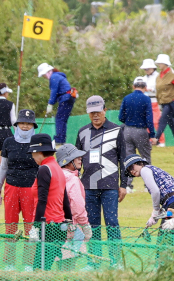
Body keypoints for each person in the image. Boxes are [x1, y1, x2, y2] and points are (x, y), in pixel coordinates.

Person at [75, 95, 127, 268]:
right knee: (92, 225)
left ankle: (116, 262)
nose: (95, 115)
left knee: (112, 224)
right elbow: (77, 161)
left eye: (98, 112)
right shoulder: (82, 132)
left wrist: (124, 185)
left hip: (110, 186)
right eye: (91, 113)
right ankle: (94, 261)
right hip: (88, 187)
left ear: (105, 110)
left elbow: (123, 159)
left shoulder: (117, 130)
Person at [0, 109, 38, 271]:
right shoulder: (8, 142)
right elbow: (3, 168)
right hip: (11, 188)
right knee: (10, 226)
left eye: (28, 123)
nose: (25, 126)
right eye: (22, 123)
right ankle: (9, 263)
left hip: (31, 190)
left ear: (33, 125)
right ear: (17, 124)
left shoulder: (38, 142)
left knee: (30, 227)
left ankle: (28, 263)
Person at [28, 133, 73, 271]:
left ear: (39, 152)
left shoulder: (44, 169)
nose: (32, 157)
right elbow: (64, 198)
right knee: (44, 267)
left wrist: (35, 226)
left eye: (33, 153)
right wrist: (69, 219)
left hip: (48, 225)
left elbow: (42, 200)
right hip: (59, 226)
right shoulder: (57, 168)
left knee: (39, 269)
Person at [55, 144, 92, 269]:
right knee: (68, 267)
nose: (80, 159)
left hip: (54, 227)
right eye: (77, 157)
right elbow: (77, 207)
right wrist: (85, 226)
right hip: (71, 228)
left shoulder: (54, 176)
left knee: (59, 264)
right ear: (68, 161)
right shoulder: (72, 179)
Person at [119, 76, 156, 192]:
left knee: (128, 159)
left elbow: (121, 117)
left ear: (133, 86)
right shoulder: (146, 99)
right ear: (145, 87)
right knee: (145, 158)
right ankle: (148, 185)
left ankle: (128, 185)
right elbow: (149, 118)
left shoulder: (127, 98)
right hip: (141, 131)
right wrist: (152, 134)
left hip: (127, 131)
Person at [124, 154, 174, 227]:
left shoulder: (144, 170)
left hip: (173, 203)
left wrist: (155, 211)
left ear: (140, 163)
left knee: (165, 237)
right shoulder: (151, 169)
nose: (131, 171)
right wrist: (158, 214)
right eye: (129, 170)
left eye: (131, 167)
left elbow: (155, 191)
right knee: (173, 236)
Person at [38, 63, 76, 145]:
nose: (44, 77)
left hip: (66, 98)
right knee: (62, 119)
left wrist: (50, 104)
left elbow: (54, 91)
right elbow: (58, 93)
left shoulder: (54, 77)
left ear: (46, 72)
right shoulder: (57, 76)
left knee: (59, 119)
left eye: (43, 75)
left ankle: (59, 140)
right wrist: (52, 103)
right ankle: (61, 138)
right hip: (68, 98)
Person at [140, 59, 165, 147]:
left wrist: (153, 90)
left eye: (148, 69)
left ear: (152, 68)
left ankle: (160, 141)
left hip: (156, 101)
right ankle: (150, 140)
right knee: (147, 122)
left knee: (157, 121)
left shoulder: (158, 77)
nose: (146, 70)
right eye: (145, 69)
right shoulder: (144, 78)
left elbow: (161, 88)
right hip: (146, 101)